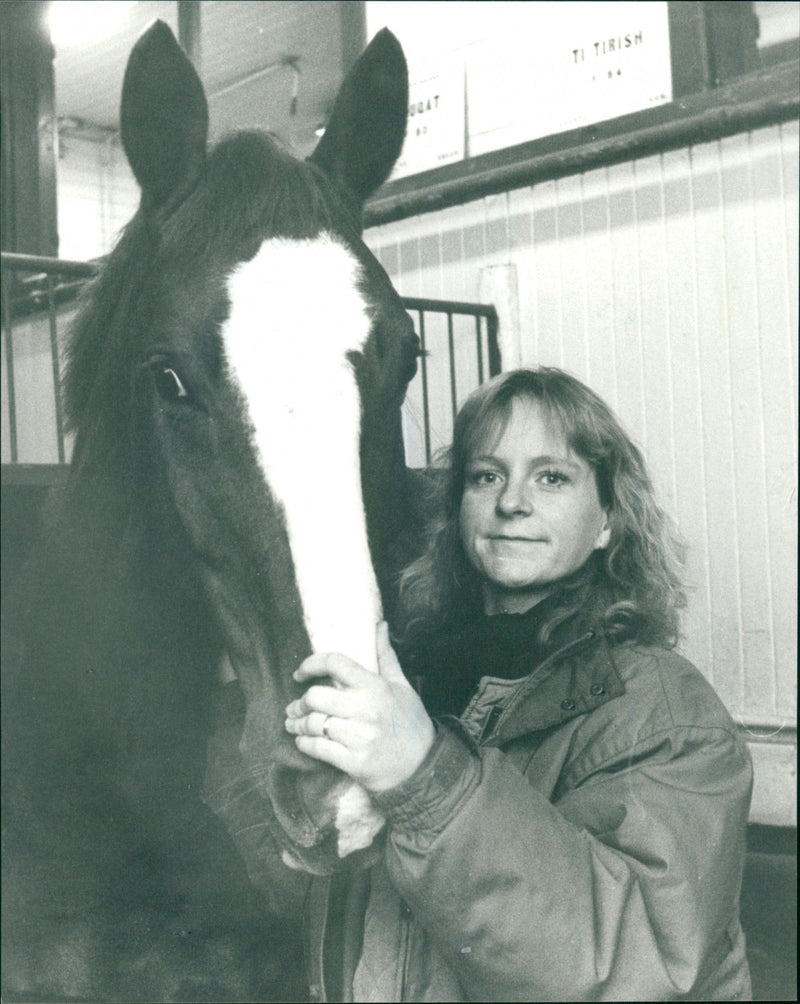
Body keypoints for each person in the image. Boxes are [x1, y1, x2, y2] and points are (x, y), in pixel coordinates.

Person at [213, 367, 753, 1001]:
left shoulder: (663, 711)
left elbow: (638, 966)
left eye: (552, 477)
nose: (512, 502)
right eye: (486, 476)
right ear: (458, 509)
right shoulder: (413, 683)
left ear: (608, 519)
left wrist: (422, 777)